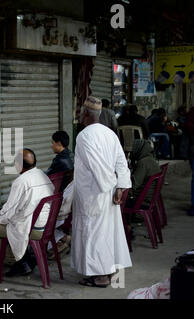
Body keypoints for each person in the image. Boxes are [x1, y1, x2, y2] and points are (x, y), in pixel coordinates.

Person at [72, 96, 132, 288]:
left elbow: (97, 166)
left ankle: (100, 276)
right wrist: (119, 187)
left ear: (87, 114)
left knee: (94, 234)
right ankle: (106, 271)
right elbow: (122, 163)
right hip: (108, 191)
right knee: (105, 232)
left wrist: (110, 185)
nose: (80, 115)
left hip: (94, 193)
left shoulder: (84, 136)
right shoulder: (110, 134)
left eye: (81, 111)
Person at [0, 149, 54, 277]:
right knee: (6, 225)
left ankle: (21, 259)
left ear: (19, 164)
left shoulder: (21, 181)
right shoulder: (42, 175)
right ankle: (25, 255)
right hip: (44, 226)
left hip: (30, 227)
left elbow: (9, 210)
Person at [126, 139, 161, 208]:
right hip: (150, 198)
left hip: (141, 200)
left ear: (138, 150)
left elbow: (133, 185)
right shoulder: (151, 159)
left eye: (133, 150)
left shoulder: (143, 163)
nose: (132, 152)